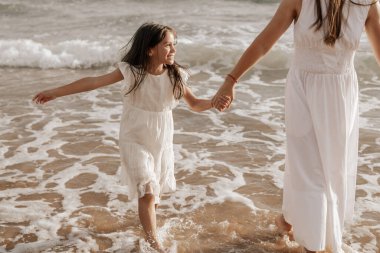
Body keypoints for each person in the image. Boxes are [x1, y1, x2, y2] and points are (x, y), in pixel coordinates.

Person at [33, 22, 230, 252]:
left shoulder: (176, 76)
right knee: (146, 190)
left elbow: (195, 104)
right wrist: (55, 92)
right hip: (134, 138)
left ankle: (147, 228)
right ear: (149, 49)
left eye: (174, 45)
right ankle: (153, 243)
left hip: (161, 141)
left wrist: (214, 103)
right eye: (167, 45)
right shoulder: (131, 72)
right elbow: (93, 82)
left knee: (153, 194)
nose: (173, 50)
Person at [212, 0, 380, 252]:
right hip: (303, 90)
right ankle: (314, 244)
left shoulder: (366, 3)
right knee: (307, 166)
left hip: (341, 93)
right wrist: (231, 80)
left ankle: (289, 221)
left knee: (330, 169)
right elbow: (264, 42)